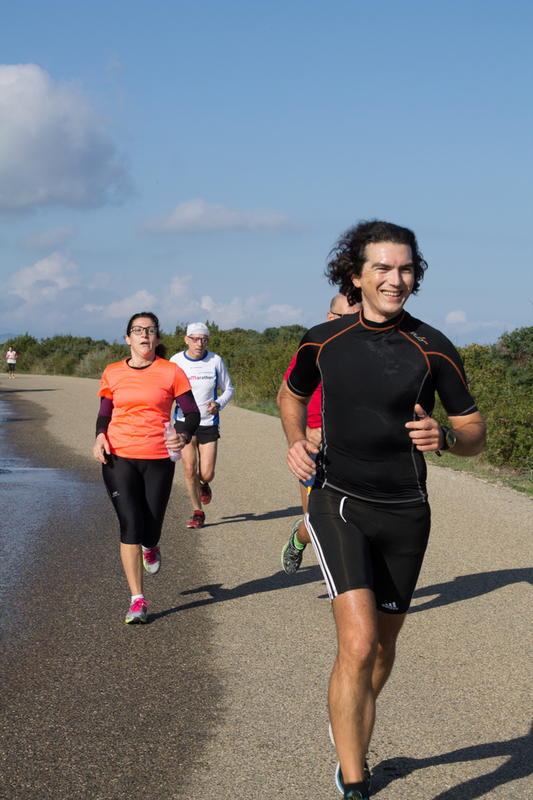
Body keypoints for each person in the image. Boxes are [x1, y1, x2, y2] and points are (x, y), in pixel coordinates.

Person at [278, 220, 486, 800]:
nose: (396, 279)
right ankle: (353, 781)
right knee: (360, 641)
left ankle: (349, 720)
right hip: (337, 499)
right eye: (383, 268)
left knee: (381, 652)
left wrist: (445, 438)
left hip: (406, 512)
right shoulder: (323, 340)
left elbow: (475, 432)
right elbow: (291, 393)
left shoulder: (434, 347)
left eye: (405, 269)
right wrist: (296, 440)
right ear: (356, 275)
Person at [93, 312, 200, 624]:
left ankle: (151, 547)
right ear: (128, 338)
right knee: (130, 524)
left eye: (150, 330)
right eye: (138, 330)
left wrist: (183, 433)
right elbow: (104, 412)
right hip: (118, 457)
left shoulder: (171, 372)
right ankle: (137, 600)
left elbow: (191, 413)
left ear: (156, 338)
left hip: (158, 458)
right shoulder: (112, 372)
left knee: (150, 530)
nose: (144, 335)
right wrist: (100, 435)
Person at [278, 294, 361, 575]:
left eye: (360, 317)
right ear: (330, 318)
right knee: (317, 521)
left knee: (360, 519)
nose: (355, 324)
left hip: (356, 449)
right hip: (316, 449)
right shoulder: (315, 349)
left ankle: (353, 587)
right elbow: (286, 395)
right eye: (347, 318)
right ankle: (299, 538)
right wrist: (300, 436)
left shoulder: (371, 352)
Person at [170, 323, 234, 529]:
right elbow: (166, 390)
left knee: (206, 473)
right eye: (195, 339)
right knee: (189, 469)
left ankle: (204, 483)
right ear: (186, 339)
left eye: (204, 339)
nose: (200, 343)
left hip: (208, 422)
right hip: (183, 422)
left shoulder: (215, 360)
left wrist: (218, 404)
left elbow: (229, 389)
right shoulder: (175, 361)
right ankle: (198, 512)